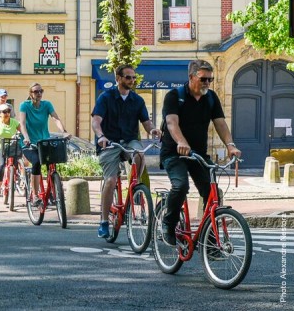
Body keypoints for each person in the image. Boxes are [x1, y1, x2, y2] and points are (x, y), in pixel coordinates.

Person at [160, 60, 241, 246]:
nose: (207, 83)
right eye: (203, 79)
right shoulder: (174, 96)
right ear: (191, 77)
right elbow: (172, 123)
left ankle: (210, 241)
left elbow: (220, 123)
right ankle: (168, 223)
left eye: (210, 80)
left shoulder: (211, 97)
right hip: (174, 153)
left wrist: (230, 145)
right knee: (181, 186)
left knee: (213, 192)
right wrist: (181, 142)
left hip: (198, 154)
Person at [92, 64, 160, 239]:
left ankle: (135, 187)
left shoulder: (137, 100)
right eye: (128, 77)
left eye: (133, 77)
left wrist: (152, 130)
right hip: (109, 142)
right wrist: (101, 136)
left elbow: (146, 122)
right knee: (111, 180)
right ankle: (104, 222)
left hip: (129, 141)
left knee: (139, 154)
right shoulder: (105, 98)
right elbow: (96, 121)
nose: (132, 80)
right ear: (118, 79)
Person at [18, 83, 69, 206]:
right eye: (36, 92)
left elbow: (55, 118)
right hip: (28, 143)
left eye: (41, 91)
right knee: (36, 162)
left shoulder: (47, 105)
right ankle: (35, 196)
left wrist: (64, 132)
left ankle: (52, 190)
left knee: (52, 163)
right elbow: (23, 124)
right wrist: (26, 137)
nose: (39, 93)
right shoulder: (25, 105)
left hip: (43, 142)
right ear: (31, 94)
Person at [0, 103, 22, 198]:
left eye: (8, 111)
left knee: (15, 165)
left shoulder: (14, 122)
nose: (7, 113)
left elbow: (22, 131)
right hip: (0, 146)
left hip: (12, 146)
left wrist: (21, 134)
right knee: (2, 165)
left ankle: (16, 181)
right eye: (4, 112)